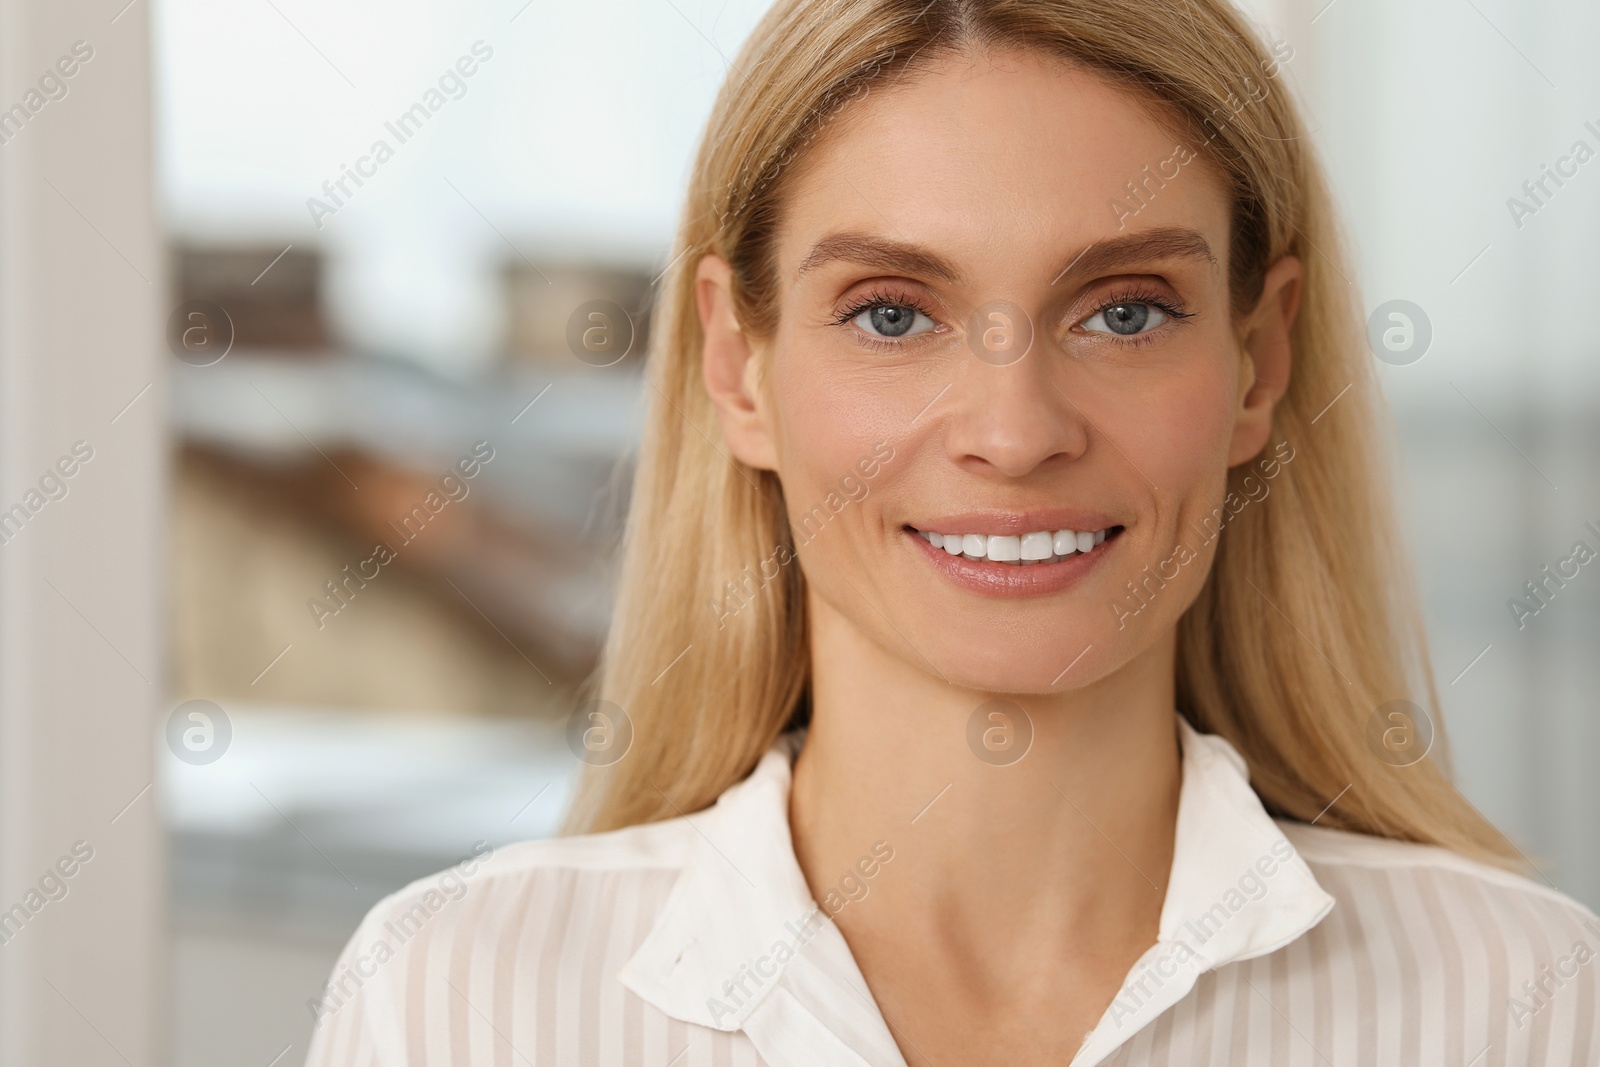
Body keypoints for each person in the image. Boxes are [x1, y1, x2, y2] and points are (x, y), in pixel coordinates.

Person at [305, 0, 1600, 1063]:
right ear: (737, 363)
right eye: (891, 314)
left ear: (1260, 360)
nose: (1015, 429)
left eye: (1125, 311)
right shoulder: (457, 1008)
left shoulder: (1521, 1006)